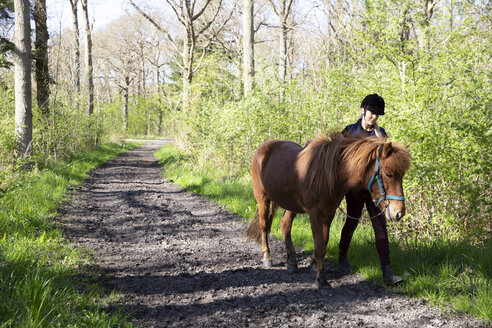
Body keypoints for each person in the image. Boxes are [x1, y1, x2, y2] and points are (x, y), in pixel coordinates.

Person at [338, 93, 403, 284]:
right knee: (352, 222)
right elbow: (339, 159)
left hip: (376, 190)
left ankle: (387, 272)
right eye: (372, 112)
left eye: (377, 114)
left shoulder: (381, 133)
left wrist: (381, 138)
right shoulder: (349, 131)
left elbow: (386, 162)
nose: (374, 117)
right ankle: (342, 257)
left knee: (381, 227)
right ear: (363, 110)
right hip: (356, 190)